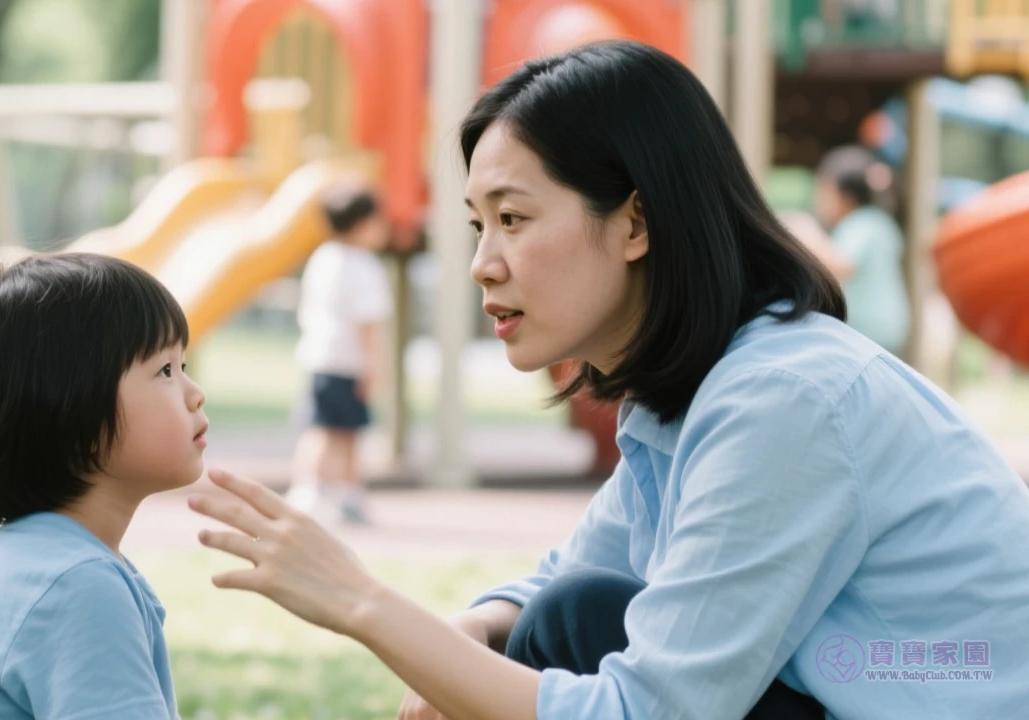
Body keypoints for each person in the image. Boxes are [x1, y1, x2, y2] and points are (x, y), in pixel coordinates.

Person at [185, 40, 1029, 720]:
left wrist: (366, 605)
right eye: (478, 225)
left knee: (572, 626)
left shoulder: (783, 401)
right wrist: (468, 629)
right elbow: (564, 577)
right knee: (564, 614)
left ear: (634, 221)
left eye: (512, 219)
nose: (482, 265)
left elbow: (647, 711)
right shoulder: (695, 393)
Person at [0, 253, 208, 719]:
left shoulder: (48, 561)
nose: (195, 392)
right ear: (74, 415)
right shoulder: (78, 583)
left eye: (183, 364)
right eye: (165, 370)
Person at [285, 185, 392, 525]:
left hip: (320, 357)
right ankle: (324, 494)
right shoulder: (365, 266)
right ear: (362, 223)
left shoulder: (323, 257)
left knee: (324, 428)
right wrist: (374, 366)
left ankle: (329, 493)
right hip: (348, 362)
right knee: (338, 432)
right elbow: (368, 325)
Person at [793, 144, 911, 356]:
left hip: (869, 331)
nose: (818, 201)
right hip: (886, 329)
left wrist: (806, 228)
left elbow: (841, 265)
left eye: (824, 192)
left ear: (845, 196)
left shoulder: (860, 223)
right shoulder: (881, 222)